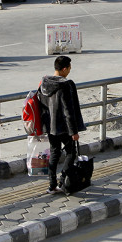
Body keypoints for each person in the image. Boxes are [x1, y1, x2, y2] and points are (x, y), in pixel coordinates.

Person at [39, 55, 86, 195]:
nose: (70, 71)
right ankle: (62, 181)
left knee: (54, 154)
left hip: (50, 127)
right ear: (64, 69)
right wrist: (74, 132)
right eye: (69, 68)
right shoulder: (65, 85)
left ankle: (51, 185)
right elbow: (68, 110)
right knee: (71, 153)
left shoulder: (44, 83)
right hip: (64, 127)